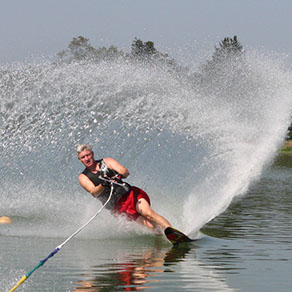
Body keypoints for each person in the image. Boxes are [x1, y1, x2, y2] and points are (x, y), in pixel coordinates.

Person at [77, 144, 172, 232]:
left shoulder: (107, 161)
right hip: (119, 207)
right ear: (80, 160)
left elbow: (125, 171)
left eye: (88, 155)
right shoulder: (83, 177)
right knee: (150, 226)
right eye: (83, 157)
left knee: (148, 213)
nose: (87, 158)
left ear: (92, 154)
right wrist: (103, 184)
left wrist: (119, 176)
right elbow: (94, 191)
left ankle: (173, 232)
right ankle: (162, 238)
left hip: (130, 195)